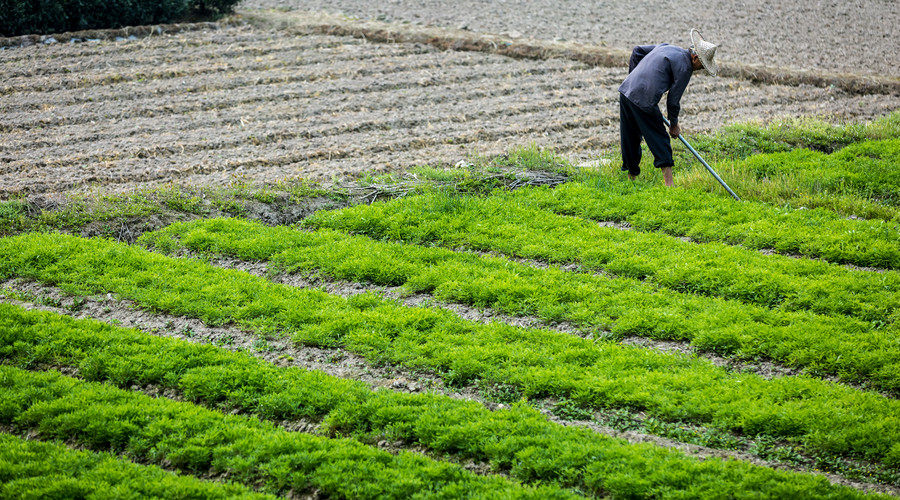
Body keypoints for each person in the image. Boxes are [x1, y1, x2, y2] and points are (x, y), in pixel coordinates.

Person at [618, 29, 719, 186]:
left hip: (626, 91)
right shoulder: (686, 67)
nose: (702, 69)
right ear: (696, 58)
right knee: (660, 138)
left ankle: (631, 179)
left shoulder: (668, 47)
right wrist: (674, 125)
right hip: (644, 99)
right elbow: (673, 100)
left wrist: (632, 78)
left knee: (630, 135)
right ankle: (669, 185)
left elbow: (637, 51)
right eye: (703, 65)